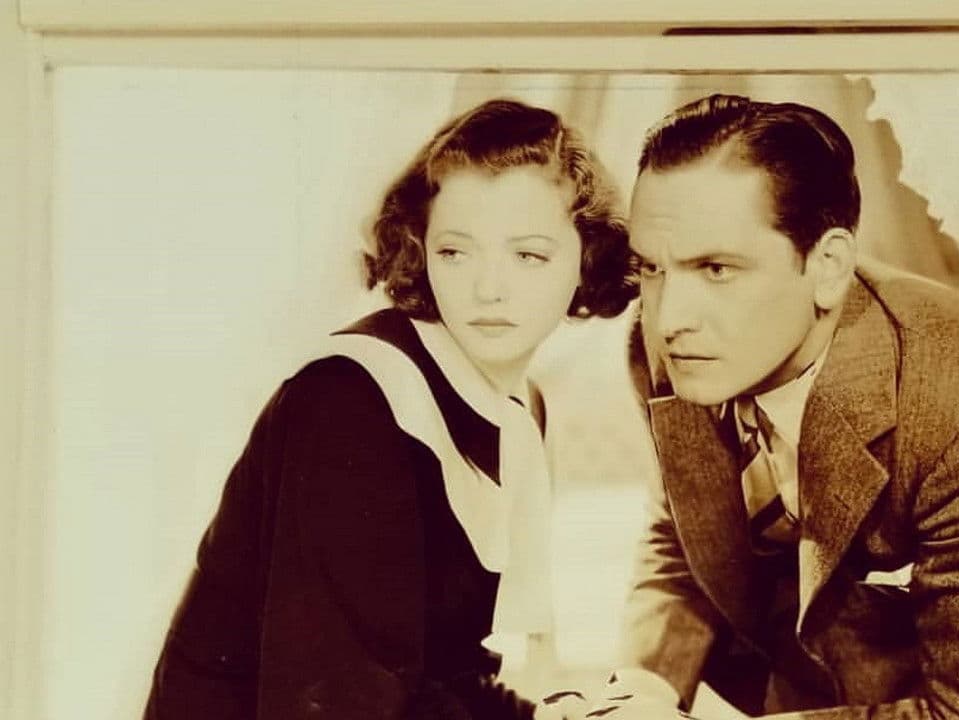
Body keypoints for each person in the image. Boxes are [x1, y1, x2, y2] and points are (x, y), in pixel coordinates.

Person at [578, 94, 959, 719]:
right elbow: (686, 529)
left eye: (718, 269)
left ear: (828, 266)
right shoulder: (664, 347)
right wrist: (639, 694)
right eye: (651, 268)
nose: (669, 318)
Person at [144, 98, 636, 720]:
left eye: (528, 255)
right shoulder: (351, 399)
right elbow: (337, 697)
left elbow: (446, 671)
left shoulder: (518, 407)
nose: (488, 288)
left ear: (587, 259)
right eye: (455, 252)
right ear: (419, 249)